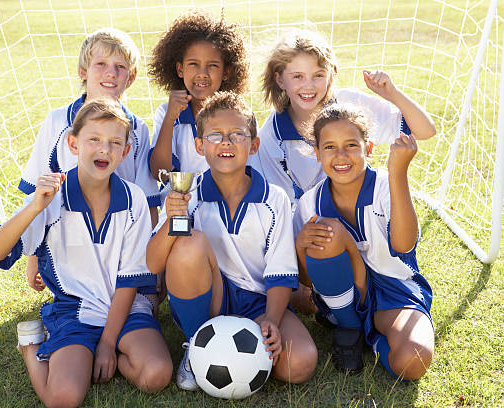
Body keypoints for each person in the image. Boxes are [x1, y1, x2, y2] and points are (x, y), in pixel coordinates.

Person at [0, 99, 172, 407]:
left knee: (156, 374)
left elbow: (129, 281)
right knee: (64, 398)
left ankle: (105, 351)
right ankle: (32, 348)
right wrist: (34, 206)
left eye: (115, 143)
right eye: (94, 139)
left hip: (126, 308)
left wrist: (107, 344)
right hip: (75, 310)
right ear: (73, 143)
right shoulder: (50, 197)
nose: (105, 149)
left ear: (125, 152)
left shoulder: (134, 200)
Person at [251, 29, 436, 314]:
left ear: (332, 73)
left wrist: (392, 94)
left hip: (368, 224)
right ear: (279, 78)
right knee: (299, 297)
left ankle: (370, 293)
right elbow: (282, 210)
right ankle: (339, 305)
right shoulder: (273, 134)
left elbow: (425, 130)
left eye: (317, 74)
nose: (308, 85)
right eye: (297, 76)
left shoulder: (350, 106)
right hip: (322, 234)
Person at [147, 91, 318, 391]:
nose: (226, 142)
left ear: (253, 145)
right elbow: (153, 262)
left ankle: (246, 356)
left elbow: (280, 273)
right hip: (208, 296)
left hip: (259, 301)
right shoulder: (189, 195)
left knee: (301, 362)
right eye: (215, 135)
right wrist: (174, 220)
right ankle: (196, 345)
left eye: (237, 134)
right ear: (200, 146)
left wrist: (272, 320)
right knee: (189, 243)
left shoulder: (274, 200)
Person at [19, 28, 160, 306]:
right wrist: (33, 258)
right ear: (83, 71)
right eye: (101, 64)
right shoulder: (57, 121)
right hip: (70, 247)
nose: (111, 73)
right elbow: (37, 192)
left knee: (140, 310)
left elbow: (148, 200)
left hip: (122, 243)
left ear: (130, 79)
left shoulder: (138, 129)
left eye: (120, 67)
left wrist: (153, 265)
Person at [294, 104, 434, 379]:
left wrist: (399, 173)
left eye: (351, 145)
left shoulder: (384, 184)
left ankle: (372, 339)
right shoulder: (309, 203)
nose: (341, 155)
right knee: (327, 232)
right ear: (317, 153)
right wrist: (301, 246)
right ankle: (350, 327)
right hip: (344, 294)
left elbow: (404, 246)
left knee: (414, 360)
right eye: (330, 147)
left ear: (369, 148)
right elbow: (307, 282)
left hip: (394, 290)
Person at [147, 9, 249, 179]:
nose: (202, 73)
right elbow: (160, 174)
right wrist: (170, 118)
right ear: (180, 69)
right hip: (179, 203)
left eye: (213, 65)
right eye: (193, 64)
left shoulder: (239, 115)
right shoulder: (166, 113)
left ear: (226, 72)